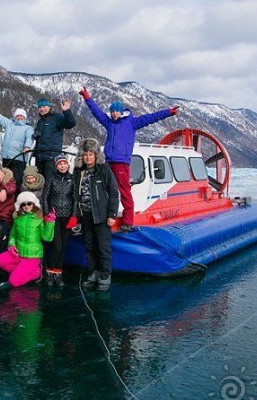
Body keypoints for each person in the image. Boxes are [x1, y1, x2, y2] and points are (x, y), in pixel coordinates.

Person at [79, 86, 179, 231]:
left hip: (121, 163)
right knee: (104, 189)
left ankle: (127, 221)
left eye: (116, 111)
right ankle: (104, 216)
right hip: (108, 162)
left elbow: (151, 117)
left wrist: (169, 112)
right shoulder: (109, 123)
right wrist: (87, 97)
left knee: (124, 191)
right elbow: (96, 112)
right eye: (112, 111)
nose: (114, 114)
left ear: (121, 112)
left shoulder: (132, 123)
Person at [73, 138, 119, 290]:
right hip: (85, 214)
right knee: (89, 246)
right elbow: (74, 193)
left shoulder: (104, 169)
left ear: (95, 155)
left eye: (90, 154)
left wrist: (112, 214)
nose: (88, 157)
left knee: (103, 247)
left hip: (101, 215)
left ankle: (105, 276)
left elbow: (113, 193)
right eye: (85, 154)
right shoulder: (79, 171)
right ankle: (93, 273)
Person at [0, 192, 55, 287]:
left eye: (29, 203)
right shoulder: (17, 219)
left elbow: (47, 238)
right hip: (18, 254)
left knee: (14, 282)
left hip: (32, 257)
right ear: (20, 206)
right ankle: (21, 271)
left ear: (34, 204)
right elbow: (13, 235)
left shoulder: (38, 219)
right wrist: (11, 245)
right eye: (24, 204)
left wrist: (50, 223)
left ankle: (37, 273)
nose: (26, 206)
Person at [0, 96, 34, 191]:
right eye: (17, 115)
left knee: (16, 181)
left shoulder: (28, 128)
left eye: (21, 116)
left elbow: (29, 138)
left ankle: (16, 200)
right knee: (5, 180)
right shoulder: (9, 124)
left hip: (18, 158)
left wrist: (27, 147)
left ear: (25, 117)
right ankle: (6, 200)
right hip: (6, 158)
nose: (19, 117)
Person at [41, 154, 77, 287]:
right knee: (57, 245)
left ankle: (58, 272)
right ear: (56, 166)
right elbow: (45, 197)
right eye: (60, 164)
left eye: (65, 163)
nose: (63, 166)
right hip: (54, 217)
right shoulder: (51, 179)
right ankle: (49, 270)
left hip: (67, 217)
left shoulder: (72, 179)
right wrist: (46, 214)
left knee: (63, 247)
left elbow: (75, 199)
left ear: (68, 165)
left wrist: (73, 216)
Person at [33, 97, 76, 183]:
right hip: (40, 157)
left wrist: (66, 111)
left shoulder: (57, 117)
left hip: (52, 156)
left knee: (50, 182)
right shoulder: (40, 122)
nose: (42, 109)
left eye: (44, 106)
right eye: (40, 107)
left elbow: (71, 123)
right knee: (40, 182)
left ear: (49, 107)